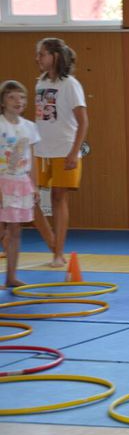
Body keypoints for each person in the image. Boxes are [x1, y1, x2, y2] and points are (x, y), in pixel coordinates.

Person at [33, 38, 89, 268]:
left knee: (58, 197)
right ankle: (53, 243)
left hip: (64, 148)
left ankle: (58, 252)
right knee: (31, 198)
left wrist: (74, 152)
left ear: (54, 56)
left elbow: (83, 121)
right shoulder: (40, 83)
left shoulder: (70, 85)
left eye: (42, 54)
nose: (38, 58)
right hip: (40, 150)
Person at [0, 80, 41, 289]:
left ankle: (11, 276)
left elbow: (32, 158)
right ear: (3, 102)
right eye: (12, 97)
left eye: (22, 97)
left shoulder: (29, 127)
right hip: (3, 182)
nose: (18, 101)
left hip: (21, 182)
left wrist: (34, 185)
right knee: (3, 230)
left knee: (15, 230)